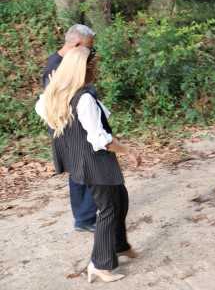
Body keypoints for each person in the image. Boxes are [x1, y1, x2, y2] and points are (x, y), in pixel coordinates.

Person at [35, 47, 140, 283]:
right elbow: (100, 140)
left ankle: (120, 245)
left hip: (81, 161)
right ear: (83, 69)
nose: (96, 71)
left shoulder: (56, 95)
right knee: (108, 209)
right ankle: (100, 264)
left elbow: (42, 110)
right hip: (95, 162)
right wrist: (129, 151)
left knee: (120, 199)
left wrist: (54, 88)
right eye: (93, 67)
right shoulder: (83, 99)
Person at [42, 24, 98, 233]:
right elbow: (56, 102)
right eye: (88, 48)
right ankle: (84, 217)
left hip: (75, 126)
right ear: (76, 44)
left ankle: (84, 218)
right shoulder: (54, 67)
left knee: (79, 173)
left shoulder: (63, 62)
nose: (90, 53)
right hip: (69, 129)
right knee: (93, 171)